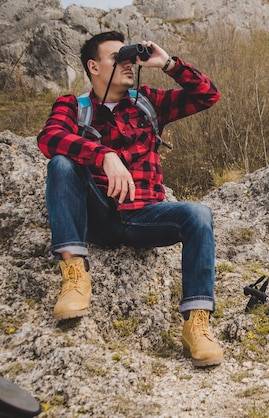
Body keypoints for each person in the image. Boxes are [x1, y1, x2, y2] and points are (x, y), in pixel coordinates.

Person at [37, 31, 223, 367]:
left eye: (129, 58)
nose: (127, 63)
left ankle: (196, 324)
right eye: (116, 58)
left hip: (145, 217)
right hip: (98, 216)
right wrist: (103, 154)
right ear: (93, 66)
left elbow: (208, 95)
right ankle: (74, 275)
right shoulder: (73, 106)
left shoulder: (147, 101)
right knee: (61, 163)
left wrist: (166, 63)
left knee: (198, 214)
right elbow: (49, 137)